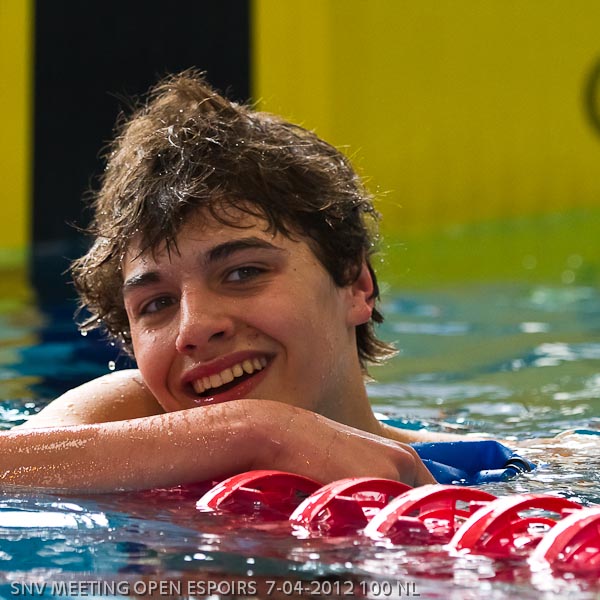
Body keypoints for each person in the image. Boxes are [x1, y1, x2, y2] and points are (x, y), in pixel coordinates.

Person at [1, 70, 462, 493]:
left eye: (243, 273)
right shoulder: (128, 416)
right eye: (157, 304)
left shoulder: (472, 469)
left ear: (356, 286)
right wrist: (256, 433)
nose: (194, 328)